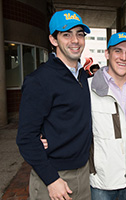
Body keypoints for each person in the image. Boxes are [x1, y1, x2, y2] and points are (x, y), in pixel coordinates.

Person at [16, 10, 93, 200]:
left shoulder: (83, 76)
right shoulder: (39, 80)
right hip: (54, 177)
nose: (75, 40)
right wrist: (51, 180)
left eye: (79, 34)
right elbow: (25, 138)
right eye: (66, 34)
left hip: (83, 174)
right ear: (53, 40)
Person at [88, 32, 126, 200]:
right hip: (102, 182)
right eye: (118, 51)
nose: (123, 57)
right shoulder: (89, 89)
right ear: (107, 54)